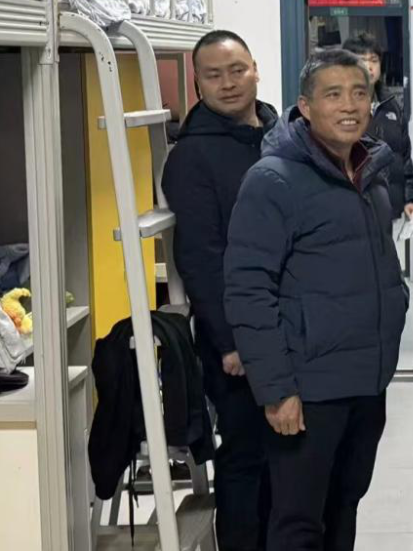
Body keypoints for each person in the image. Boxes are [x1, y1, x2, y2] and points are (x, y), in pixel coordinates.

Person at [224, 48, 407, 551]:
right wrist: (277, 390)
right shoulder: (273, 181)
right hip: (308, 390)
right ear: (305, 107)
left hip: (366, 381)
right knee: (299, 521)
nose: (349, 106)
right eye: (333, 95)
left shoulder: (369, 172)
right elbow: (248, 290)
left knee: (345, 503)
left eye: (359, 93)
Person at [161, 30, 276, 551]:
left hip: (285, 325)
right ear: (197, 83)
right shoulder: (192, 156)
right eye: (213, 75)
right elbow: (201, 257)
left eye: (236, 70)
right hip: (236, 338)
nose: (228, 83)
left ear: (255, 70)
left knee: (288, 456)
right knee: (246, 454)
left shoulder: (279, 135)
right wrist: (231, 342)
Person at [341, 31, 413, 220]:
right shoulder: (338, 106)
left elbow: (405, 158)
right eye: (361, 60)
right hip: (353, 213)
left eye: (373, 60)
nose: (369, 67)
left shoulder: (391, 106)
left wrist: (410, 199)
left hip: (391, 210)